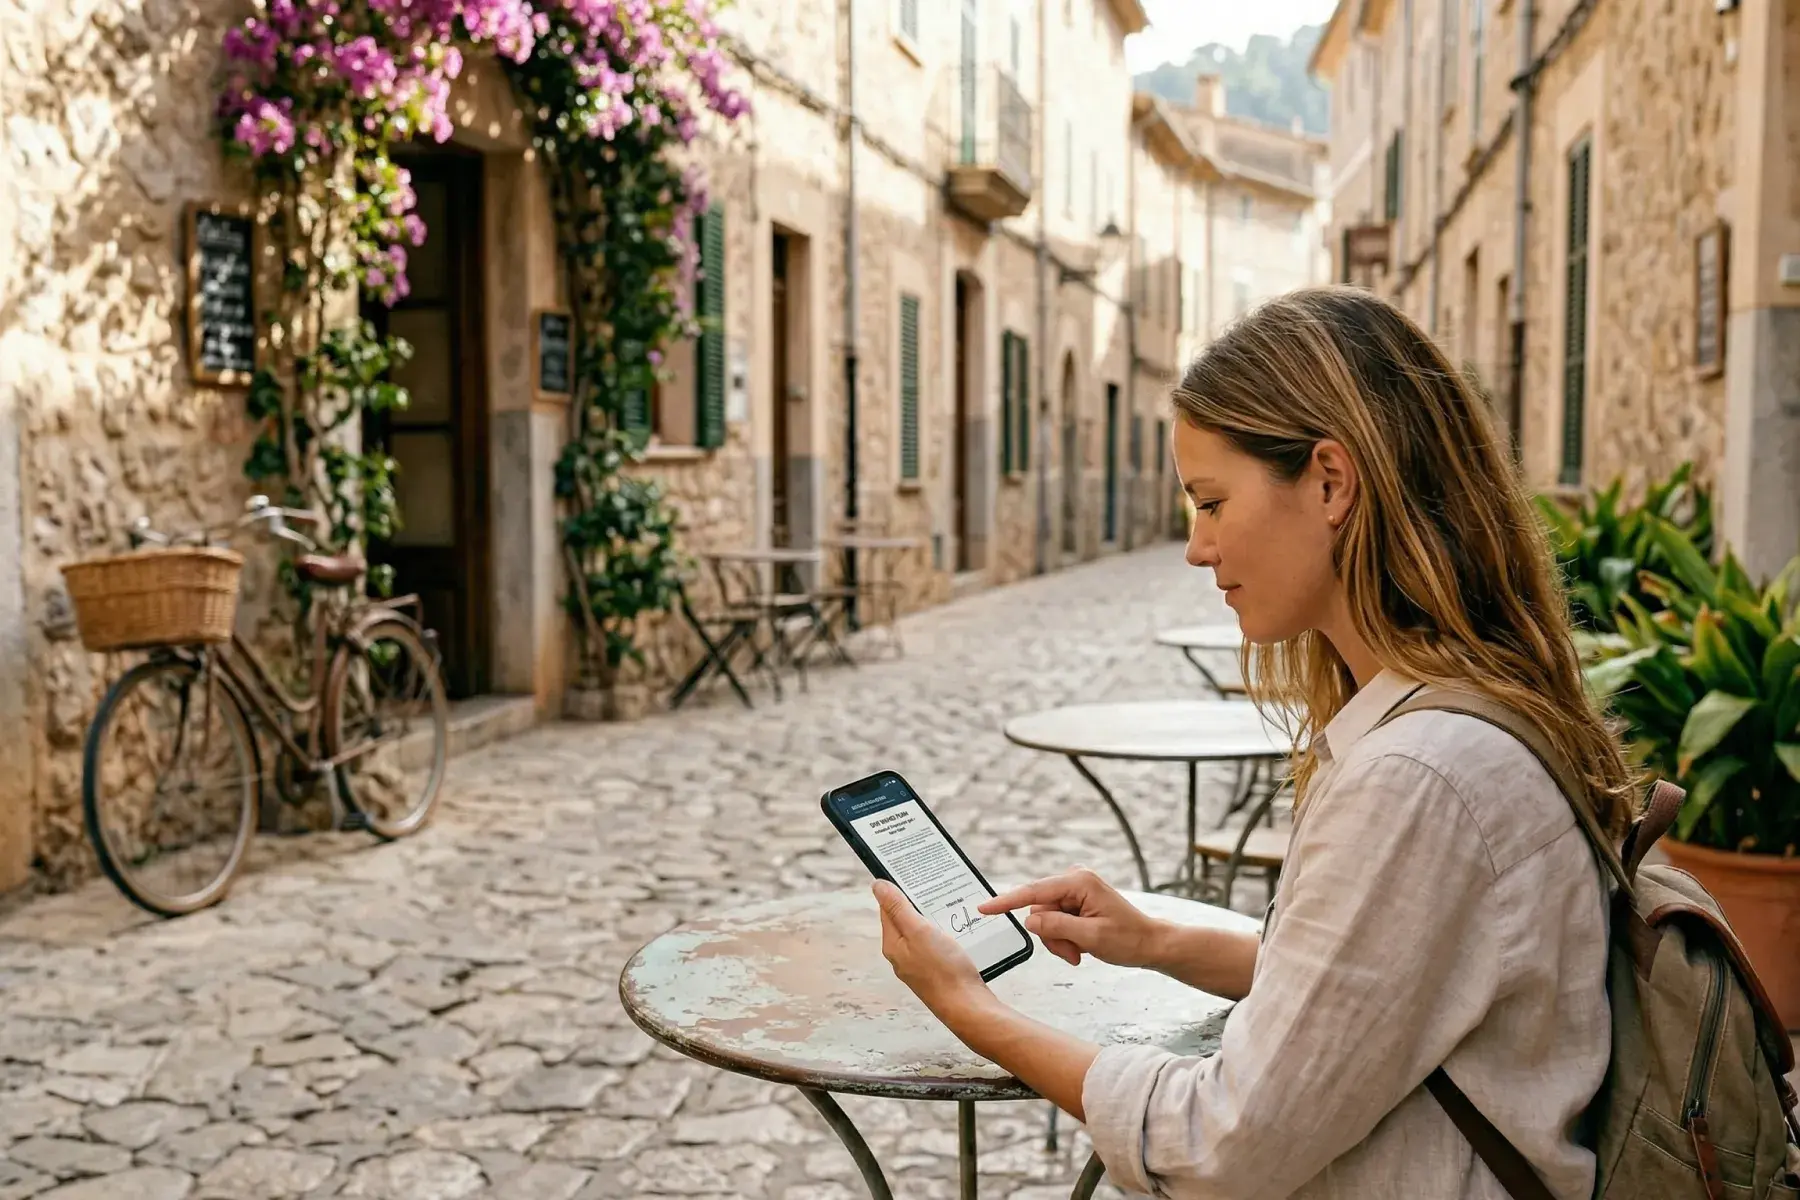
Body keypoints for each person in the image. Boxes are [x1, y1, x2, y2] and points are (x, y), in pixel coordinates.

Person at [872, 286, 1636, 1199]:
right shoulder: (1449, 720)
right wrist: (1156, 938)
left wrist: (968, 1007)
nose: (1196, 548)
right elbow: (1372, 990)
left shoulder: (1419, 777)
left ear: (1329, 481)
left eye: (1210, 502)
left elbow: (1221, 1141)